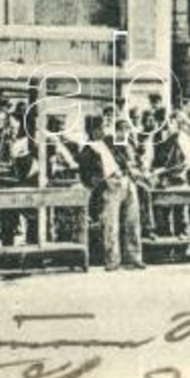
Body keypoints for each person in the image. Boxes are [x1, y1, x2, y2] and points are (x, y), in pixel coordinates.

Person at [78, 115, 145, 271]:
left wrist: (131, 171)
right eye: (100, 128)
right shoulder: (87, 150)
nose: (104, 130)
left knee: (133, 222)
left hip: (126, 182)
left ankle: (134, 258)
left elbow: (124, 159)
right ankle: (112, 260)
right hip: (109, 187)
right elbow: (86, 176)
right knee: (111, 226)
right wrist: (102, 182)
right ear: (93, 131)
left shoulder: (109, 143)